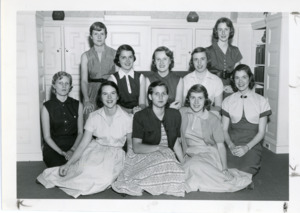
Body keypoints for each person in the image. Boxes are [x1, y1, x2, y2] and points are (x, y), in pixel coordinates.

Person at [37, 81, 133, 198]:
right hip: (95, 150)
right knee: (82, 171)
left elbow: (131, 146)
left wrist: (128, 170)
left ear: (117, 97)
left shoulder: (127, 118)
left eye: (112, 93)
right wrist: (68, 164)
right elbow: (82, 145)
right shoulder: (93, 117)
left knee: (105, 178)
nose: (109, 97)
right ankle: (52, 175)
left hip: (115, 154)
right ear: (100, 97)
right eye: (105, 94)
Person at [112, 81, 185, 197]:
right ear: (150, 97)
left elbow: (175, 141)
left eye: (163, 94)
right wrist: (159, 148)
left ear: (167, 96)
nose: (160, 97)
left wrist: (183, 162)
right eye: (156, 94)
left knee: (179, 170)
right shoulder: (140, 116)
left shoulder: (175, 114)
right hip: (143, 154)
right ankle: (143, 180)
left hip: (167, 154)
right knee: (166, 163)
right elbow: (136, 147)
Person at [180, 84, 252, 193]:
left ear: (205, 100)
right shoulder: (182, 113)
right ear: (188, 99)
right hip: (189, 154)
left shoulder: (213, 119)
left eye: (200, 98)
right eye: (193, 98)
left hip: (208, 153)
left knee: (195, 167)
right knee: (193, 169)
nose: (196, 102)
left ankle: (234, 182)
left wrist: (224, 168)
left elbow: (220, 146)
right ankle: (218, 178)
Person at [222, 64, 272, 180]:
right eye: (237, 78)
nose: (240, 81)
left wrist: (246, 147)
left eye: (244, 77)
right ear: (233, 80)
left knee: (244, 170)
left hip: (252, 145)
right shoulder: (228, 101)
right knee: (226, 169)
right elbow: (224, 129)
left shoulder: (261, 101)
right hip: (232, 143)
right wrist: (230, 145)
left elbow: (261, 133)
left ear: (249, 78)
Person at [41, 71, 83, 167]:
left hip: (74, 146)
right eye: (60, 83)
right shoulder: (46, 107)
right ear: (54, 86)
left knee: (82, 166)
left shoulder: (78, 105)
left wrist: (73, 150)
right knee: (61, 169)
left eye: (67, 83)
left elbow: (80, 132)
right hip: (54, 147)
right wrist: (61, 152)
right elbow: (47, 137)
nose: (64, 86)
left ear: (70, 87)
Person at [80, 22, 116, 121]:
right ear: (91, 36)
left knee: (110, 120)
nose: (99, 37)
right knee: (89, 119)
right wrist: (87, 100)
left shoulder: (114, 54)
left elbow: (118, 78)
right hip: (91, 92)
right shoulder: (85, 56)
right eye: (96, 34)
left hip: (109, 90)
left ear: (106, 35)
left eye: (102, 34)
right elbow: (83, 81)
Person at [206, 17, 242, 97]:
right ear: (216, 31)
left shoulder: (235, 50)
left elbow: (239, 74)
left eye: (226, 29)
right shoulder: (207, 51)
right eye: (220, 29)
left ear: (230, 31)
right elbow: (203, 74)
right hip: (212, 89)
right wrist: (217, 87)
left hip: (231, 89)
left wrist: (234, 87)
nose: (223, 33)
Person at [183, 47, 223, 115]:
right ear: (192, 62)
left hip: (209, 116)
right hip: (190, 115)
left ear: (207, 60)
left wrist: (203, 110)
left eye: (202, 59)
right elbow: (183, 105)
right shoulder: (186, 79)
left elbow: (218, 107)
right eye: (196, 59)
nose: (199, 63)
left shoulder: (217, 81)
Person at [108, 44, 146, 114]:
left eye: (130, 57)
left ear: (133, 58)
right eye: (123, 57)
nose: (127, 61)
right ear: (118, 60)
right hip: (118, 114)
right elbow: (112, 104)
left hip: (137, 113)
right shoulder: (112, 79)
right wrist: (130, 111)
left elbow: (142, 103)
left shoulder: (141, 77)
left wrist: (139, 109)